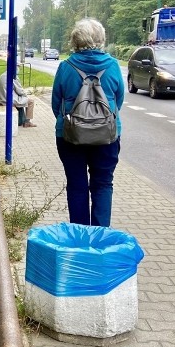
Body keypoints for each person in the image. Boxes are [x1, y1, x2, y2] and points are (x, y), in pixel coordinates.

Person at [51, 18, 125, 226]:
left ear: (76, 40)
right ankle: (100, 236)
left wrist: (71, 122)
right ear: (101, 39)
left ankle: (81, 238)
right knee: (103, 184)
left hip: (70, 137)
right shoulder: (112, 66)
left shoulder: (66, 67)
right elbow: (118, 101)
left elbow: (56, 103)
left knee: (77, 186)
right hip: (107, 137)